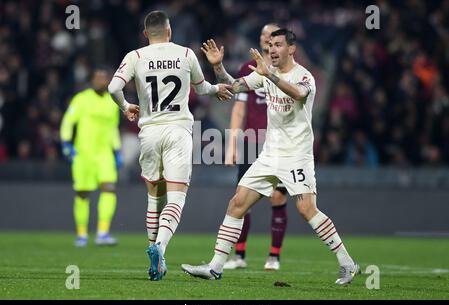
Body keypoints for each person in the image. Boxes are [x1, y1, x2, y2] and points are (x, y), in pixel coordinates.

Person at [182, 29, 360, 285]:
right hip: (269, 154)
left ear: (291, 49)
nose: (272, 49)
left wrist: (271, 76)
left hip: (296, 156)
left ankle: (347, 263)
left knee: (306, 209)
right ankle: (215, 267)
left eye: (278, 45)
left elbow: (298, 94)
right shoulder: (265, 73)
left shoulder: (304, 76)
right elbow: (234, 86)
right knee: (237, 203)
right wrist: (218, 67)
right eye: (270, 45)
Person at [107, 10, 233, 281]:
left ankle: (155, 257)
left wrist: (126, 106)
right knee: (176, 198)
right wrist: (216, 88)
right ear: (169, 31)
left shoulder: (135, 56)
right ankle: (160, 247)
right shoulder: (185, 54)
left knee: (155, 198)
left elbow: (112, 88)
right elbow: (201, 89)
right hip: (177, 130)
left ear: (145, 34)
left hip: (149, 132)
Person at [224, 23, 289, 271]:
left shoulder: (287, 70)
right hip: (252, 141)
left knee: (277, 197)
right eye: (263, 34)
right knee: (242, 197)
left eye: (271, 35)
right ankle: (239, 255)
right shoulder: (247, 68)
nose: (266, 38)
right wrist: (232, 143)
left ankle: (274, 256)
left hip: (278, 141)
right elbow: (239, 108)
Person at [60, 67, 122, 247]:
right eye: (97, 78)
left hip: (104, 154)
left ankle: (103, 233)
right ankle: (82, 235)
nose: (100, 81)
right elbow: (68, 121)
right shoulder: (82, 99)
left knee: (109, 189)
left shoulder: (112, 102)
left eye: (104, 78)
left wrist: (117, 151)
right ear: (92, 80)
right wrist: (66, 143)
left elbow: (113, 129)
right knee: (82, 194)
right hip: (83, 154)